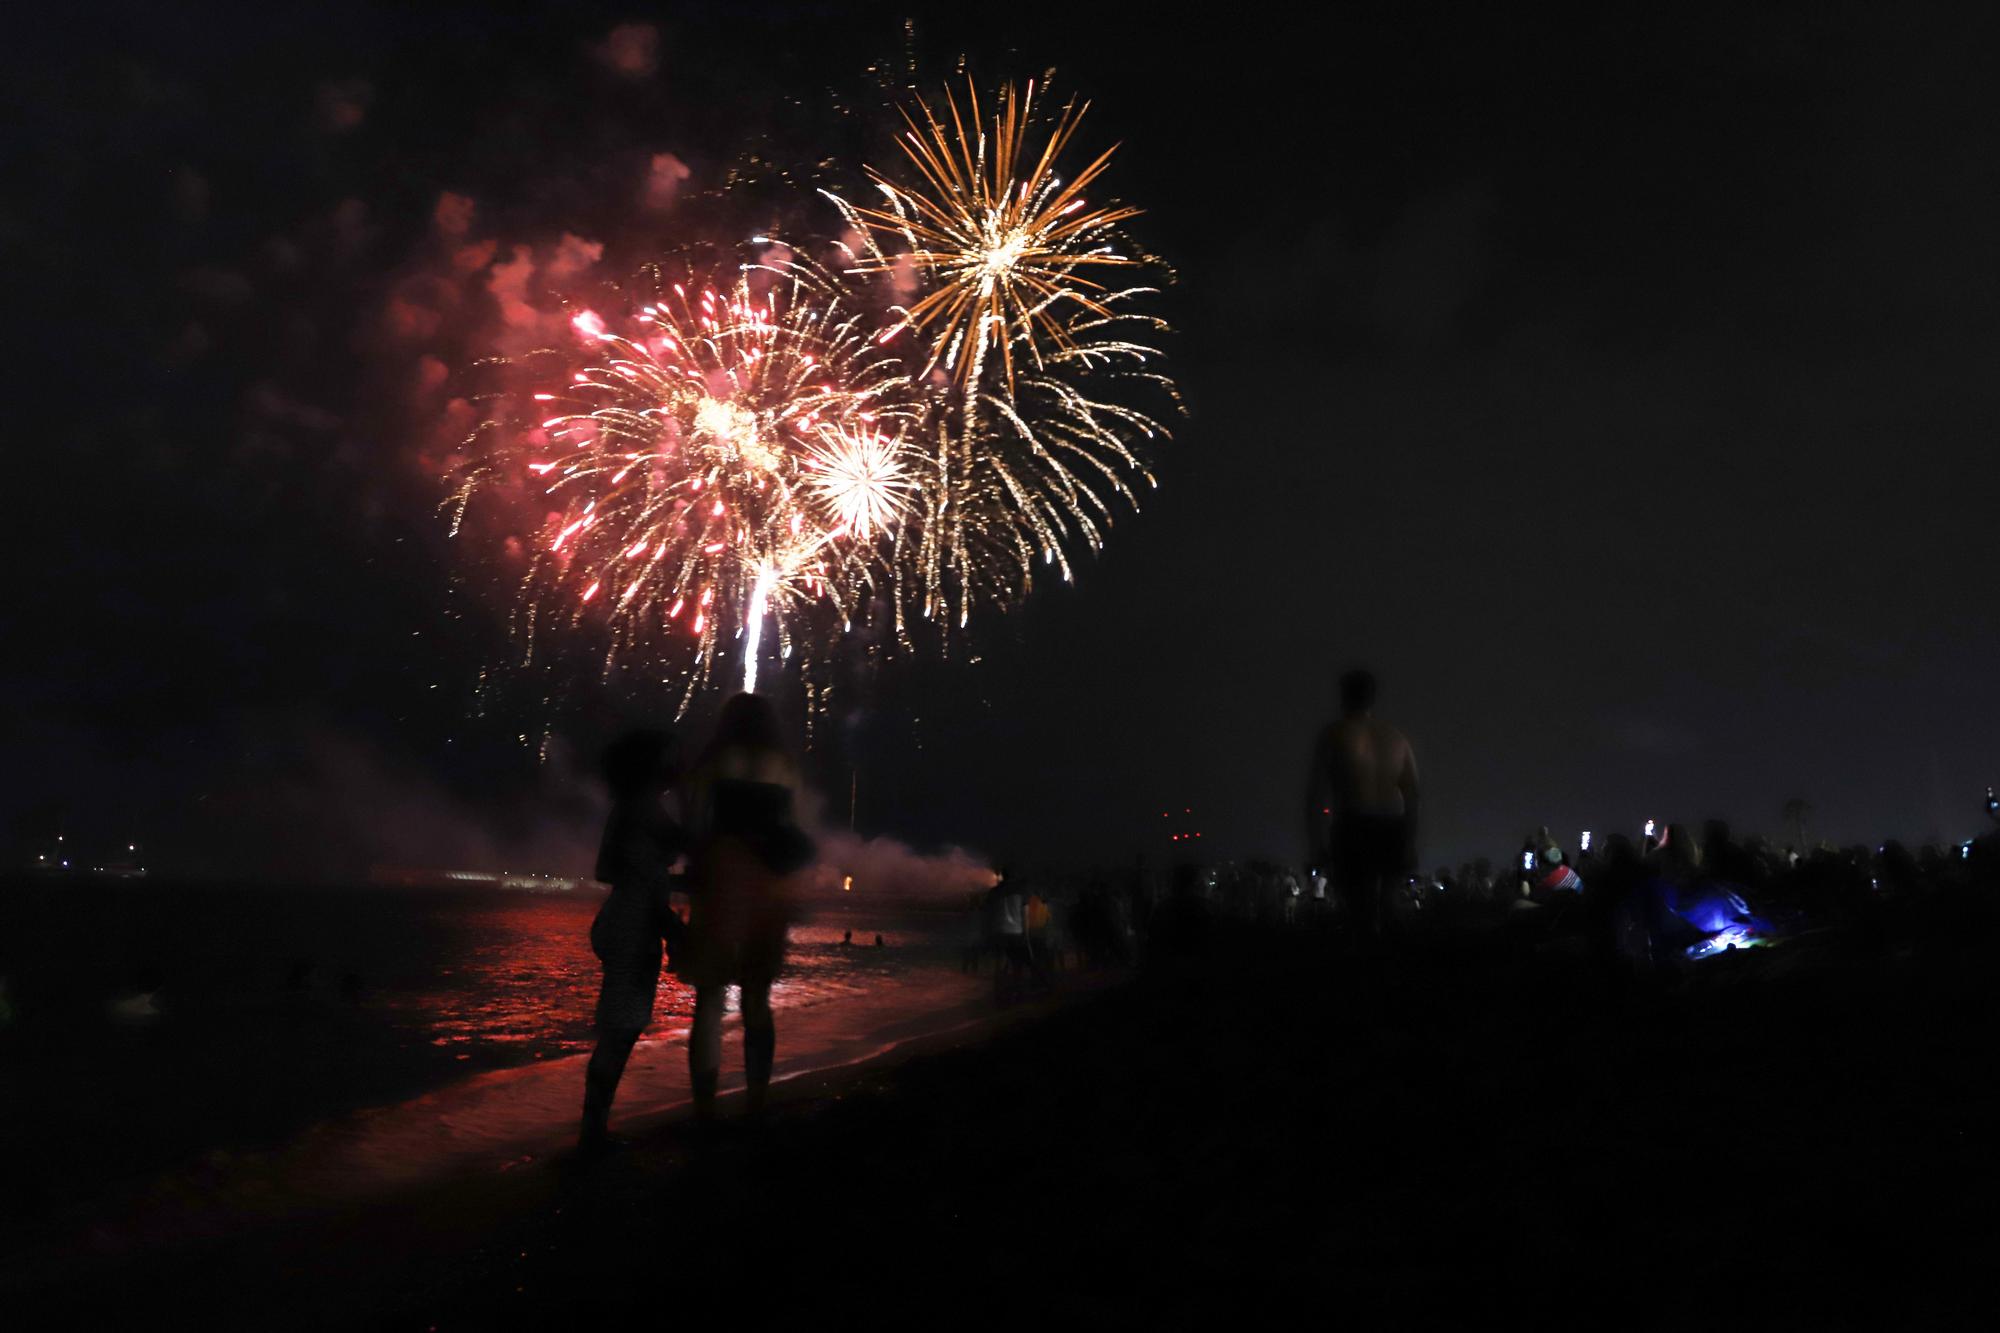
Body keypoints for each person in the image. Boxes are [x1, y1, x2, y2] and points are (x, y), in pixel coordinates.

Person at [681, 693, 814, 1124]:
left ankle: (705, 1105)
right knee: (757, 998)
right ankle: (757, 1098)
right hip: (769, 886)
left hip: (723, 878)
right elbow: (791, 827)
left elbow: (694, 824)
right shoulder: (785, 765)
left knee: (709, 999)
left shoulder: (715, 760)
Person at [580, 728, 687, 1155]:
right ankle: (592, 1136)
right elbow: (687, 840)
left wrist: (651, 877)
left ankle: (594, 1130)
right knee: (620, 1031)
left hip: (620, 919)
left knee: (620, 1028)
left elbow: (607, 869)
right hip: (631, 926)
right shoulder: (644, 808)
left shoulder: (630, 807)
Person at [1305, 668, 1420, 943]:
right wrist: (1410, 839)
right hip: (1393, 823)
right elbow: (1413, 793)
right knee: (1389, 904)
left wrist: (1317, 843)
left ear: (1343, 696)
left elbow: (1316, 792)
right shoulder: (1396, 737)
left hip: (1354, 822)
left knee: (1359, 908)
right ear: (1373, 698)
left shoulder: (1334, 734)